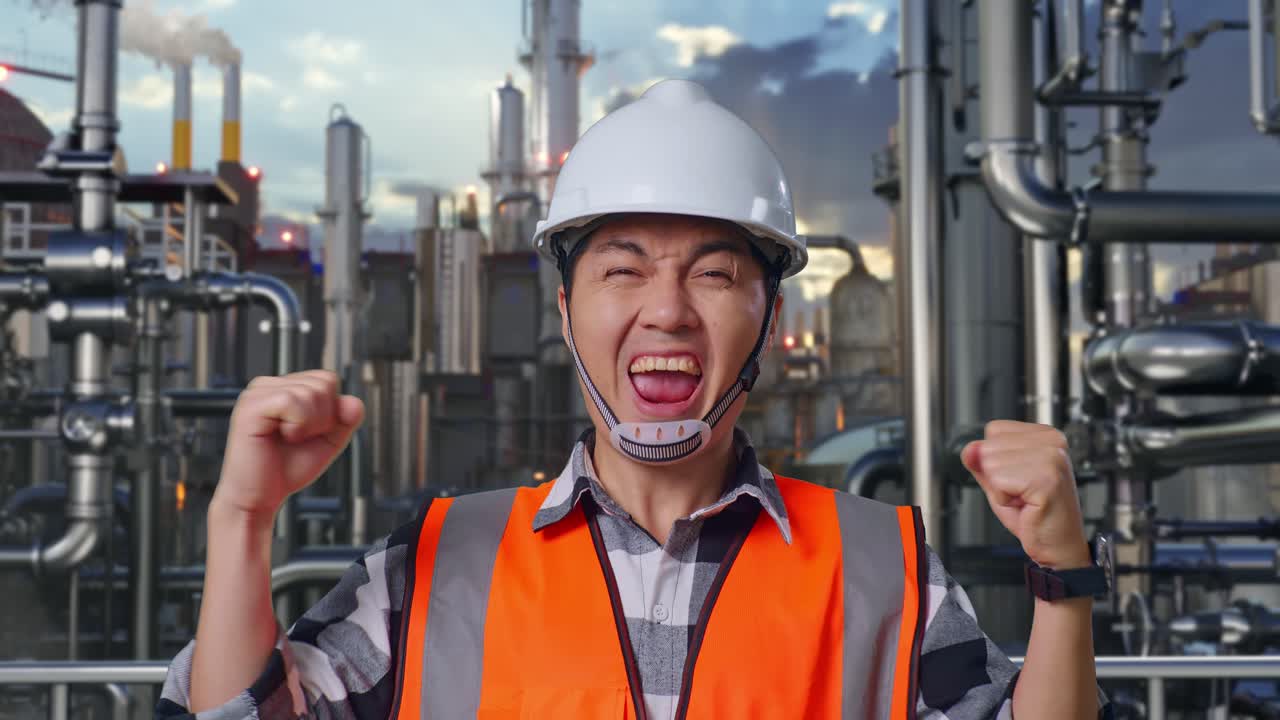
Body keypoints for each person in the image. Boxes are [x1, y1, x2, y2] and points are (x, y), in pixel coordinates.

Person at [159, 79, 1109, 719]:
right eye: (624, 270)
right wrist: (241, 520)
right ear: (566, 308)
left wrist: (1062, 579)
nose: (667, 310)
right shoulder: (436, 564)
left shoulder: (885, 567)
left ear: (767, 316)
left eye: (713, 273)